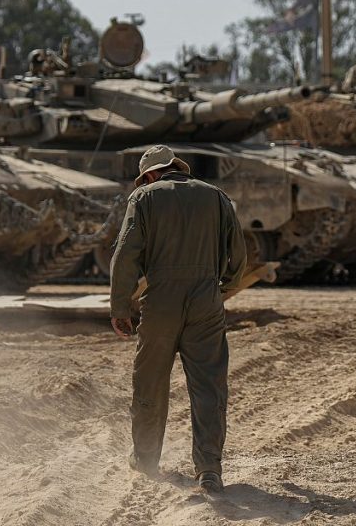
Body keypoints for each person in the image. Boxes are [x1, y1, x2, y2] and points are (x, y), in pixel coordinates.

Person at [109, 145, 247, 494]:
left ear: (151, 174)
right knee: (208, 386)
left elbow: (125, 254)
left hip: (161, 302)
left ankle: (146, 460)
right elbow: (239, 255)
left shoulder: (144, 198)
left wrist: (120, 307)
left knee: (151, 382)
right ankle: (209, 470)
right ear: (177, 168)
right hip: (206, 300)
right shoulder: (216, 196)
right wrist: (221, 289)